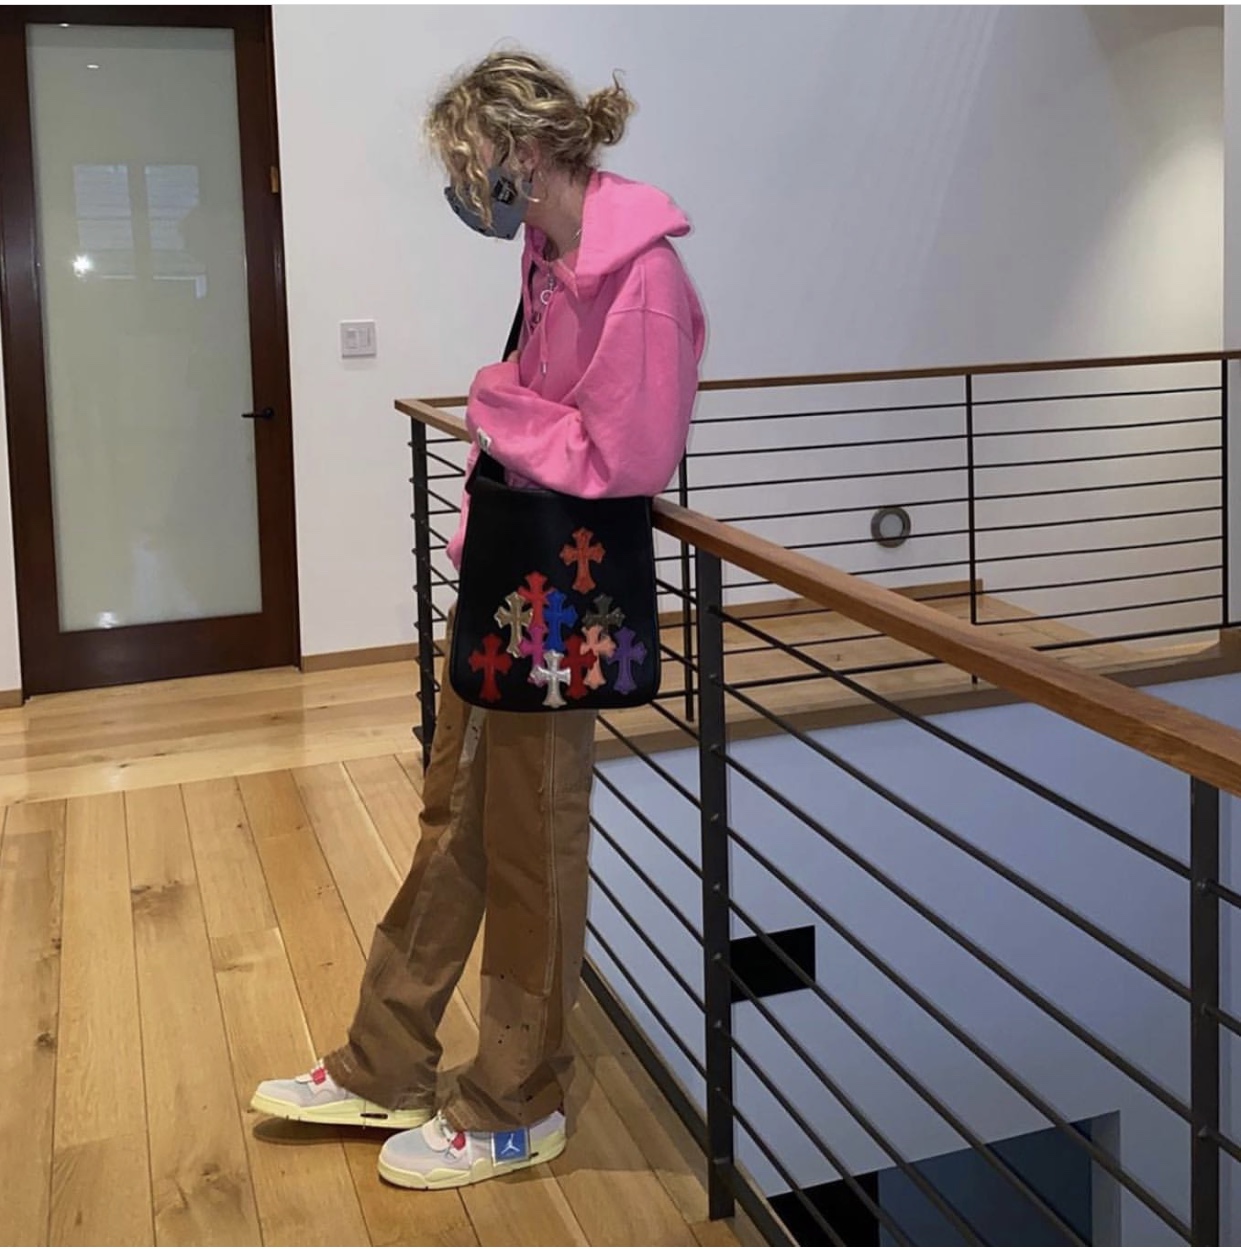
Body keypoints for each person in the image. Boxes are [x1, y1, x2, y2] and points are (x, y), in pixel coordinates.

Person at [251, 49, 706, 1192]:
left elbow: (628, 456)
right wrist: (517, 411)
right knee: (452, 822)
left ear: (527, 149)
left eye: (471, 161)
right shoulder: (547, 255)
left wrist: (498, 403)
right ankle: (384, 1062)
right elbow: (554, 422)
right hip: (504, 586)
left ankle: (517, 1101)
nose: (465, 187)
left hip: (558, 608)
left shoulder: (639, 277)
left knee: (532, 846)